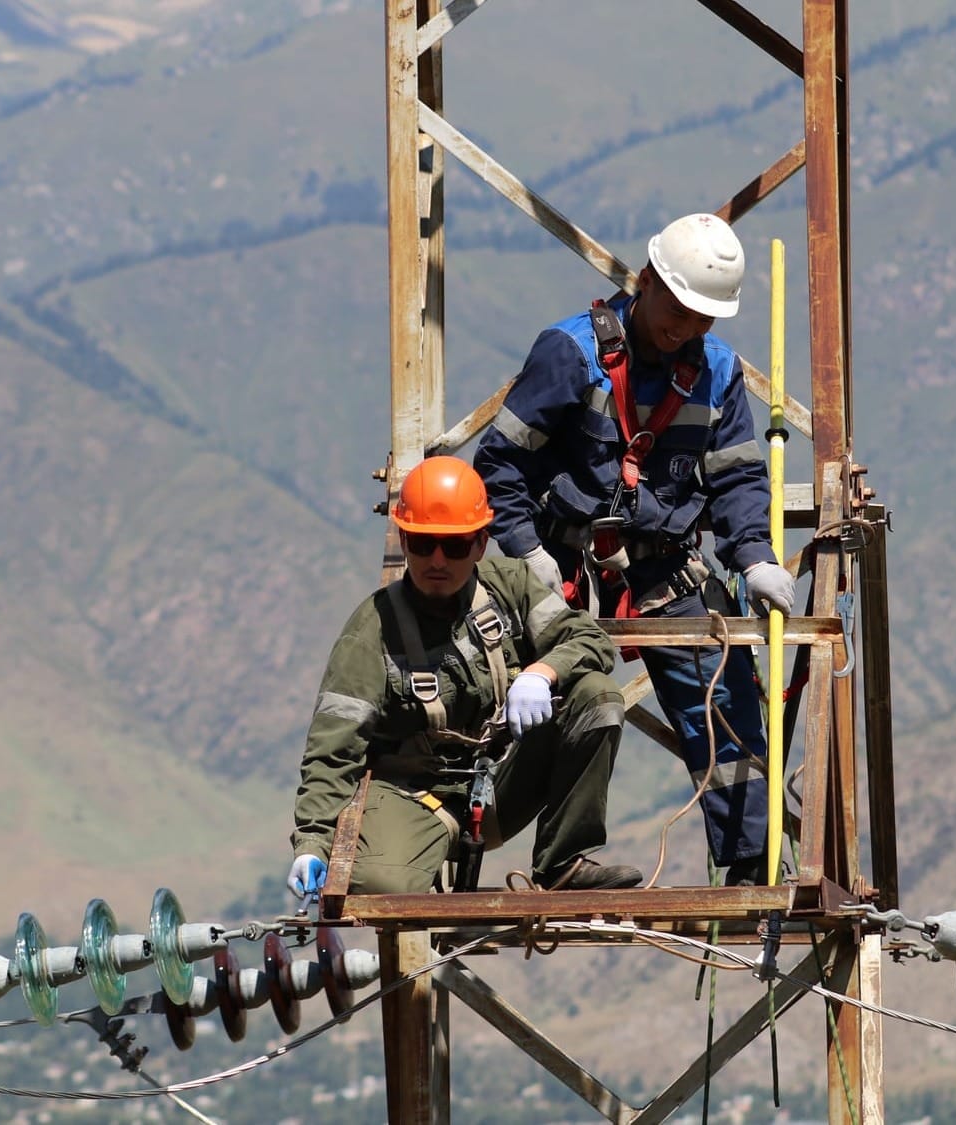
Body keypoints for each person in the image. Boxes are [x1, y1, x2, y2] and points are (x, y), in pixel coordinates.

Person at [472, 212, 797, 887]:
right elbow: (500, 462)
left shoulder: (717, 371)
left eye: (703, 318)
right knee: (568, 699)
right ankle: (547, 858)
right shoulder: (570, 354)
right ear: (646, 281)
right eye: (677, 310)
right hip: (564, 567)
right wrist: (525, 551)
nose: (686, 328)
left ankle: (750, 864)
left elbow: (737, 477)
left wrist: (755, 556)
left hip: (664, 566)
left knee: (725, 701)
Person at [288, 456, 643, 897]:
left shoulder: (511, 587)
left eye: (454, 546)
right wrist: (312, 843)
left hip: (502, 782)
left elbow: (591, 641)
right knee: (382, 888)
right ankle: (416, 862)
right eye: (424, 544)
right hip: (413, 795)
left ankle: (562, 864)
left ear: (480, 544)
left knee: (597, 696)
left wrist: (541, 673)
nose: (438, 560)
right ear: (404, 540)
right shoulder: (371, 632)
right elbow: (332, 751)